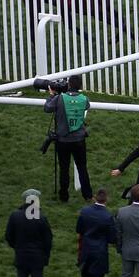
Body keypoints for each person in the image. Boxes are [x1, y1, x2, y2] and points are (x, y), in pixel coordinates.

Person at [5, 189, 54, 277]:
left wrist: (17, 247)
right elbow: (48, 240)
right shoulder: (42, 218)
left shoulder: (15, 215)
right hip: (37, 257)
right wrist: (46, 255)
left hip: (21, 255)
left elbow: (9, 236)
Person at [44, 75, 92, 203]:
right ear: (80, 86)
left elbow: (47, 108)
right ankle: (88, 195)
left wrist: (52, 95)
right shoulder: (84, 99)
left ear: (69, 85)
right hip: (79, 140)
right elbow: (86, 106)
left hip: (63, 140)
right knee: (82, 168)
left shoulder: (60, 98)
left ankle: (64, 196)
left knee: (64, 168)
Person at [75, 188, 116, 277]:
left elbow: (79, 229)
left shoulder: (85, 212)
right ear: (106, 199)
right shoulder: (108, 216)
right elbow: (112, 238)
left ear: (94, 197)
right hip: (100, 252)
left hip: (86, 250)